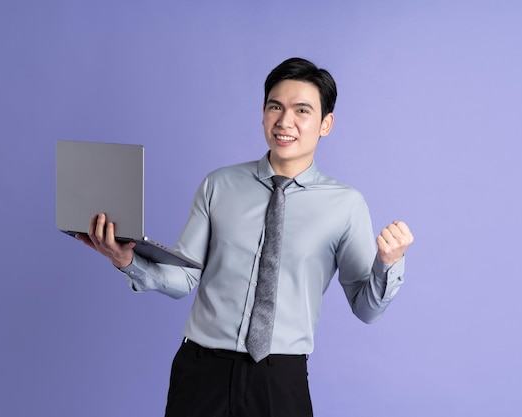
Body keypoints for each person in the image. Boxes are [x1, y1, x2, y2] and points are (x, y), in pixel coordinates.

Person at [77, 57, 414, 417]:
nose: (285, 122)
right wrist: (125, 260)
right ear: (263, 113)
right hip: (201, 370)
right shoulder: (218, 185)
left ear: (325, 124)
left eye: (302, 111)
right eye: (275, 107)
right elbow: (184, 278)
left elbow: (366, 309)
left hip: (279, 378)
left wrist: (388, 264)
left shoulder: (346, 205)